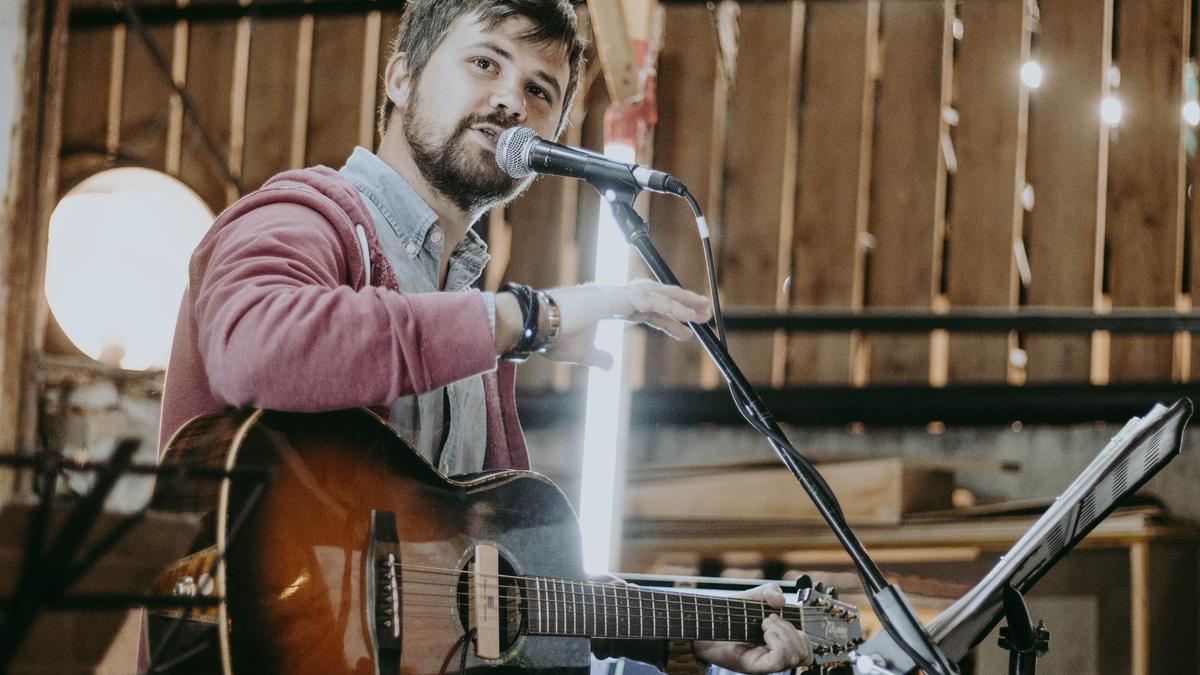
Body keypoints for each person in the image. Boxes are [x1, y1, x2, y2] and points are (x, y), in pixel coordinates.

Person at [160, 0, 812, 671]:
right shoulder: (307, 216)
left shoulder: (474, 319)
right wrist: (528, 318)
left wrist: (690, 631)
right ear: (401, 78)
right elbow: (255, 351)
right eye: (484, 63)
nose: (511, 101)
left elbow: (492, 591)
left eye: (540, 90)